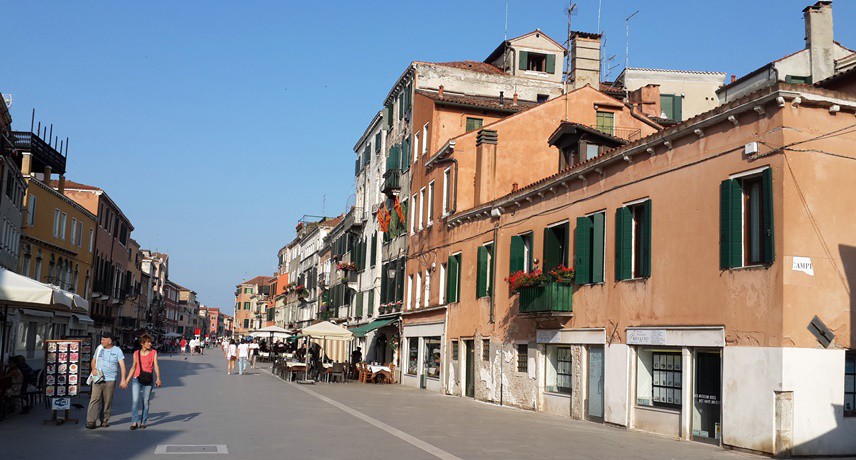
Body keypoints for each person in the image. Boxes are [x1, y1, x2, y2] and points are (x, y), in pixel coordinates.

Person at [86, 332, 128, 429]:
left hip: (110, 380)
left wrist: (123, 379)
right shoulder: (99, 348)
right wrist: (93, 369)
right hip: (97, 379)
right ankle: (91, 421)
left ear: (109, 341)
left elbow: (122, 366)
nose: (101, 341)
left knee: (107, 401)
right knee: (94, 399)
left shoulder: (117, 351)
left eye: (103, 340)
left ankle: (104, 420)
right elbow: (93, 360)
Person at [123, 334, 162, 430]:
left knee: (146, 401)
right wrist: (127, 380)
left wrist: (158, 378)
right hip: (137, 379)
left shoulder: (153, 352)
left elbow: (156, 366)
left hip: (148, 380)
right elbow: (133, 367)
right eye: (147, 342)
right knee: (135, 401)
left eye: (150, 342)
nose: (150, 344)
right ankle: (134, 422)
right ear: (142, 343)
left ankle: (143, 422)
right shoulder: (136, 353)